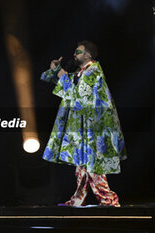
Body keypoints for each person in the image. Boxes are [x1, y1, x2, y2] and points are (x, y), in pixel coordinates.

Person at [40, 40, 126, 207]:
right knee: (82, 165)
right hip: (82, 125)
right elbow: (59, 82)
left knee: (94, 165)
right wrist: (56, 70)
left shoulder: (94, 71)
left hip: (94, 126)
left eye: (78, 52)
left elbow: (79, 98)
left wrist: (63, 76)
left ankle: (109, 199)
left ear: (88, 55)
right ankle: (78, 199)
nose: (74, 54)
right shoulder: (82, 72)